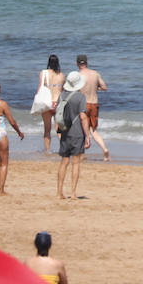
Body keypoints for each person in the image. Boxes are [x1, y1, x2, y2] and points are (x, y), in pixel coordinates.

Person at [55, 70, 90, 199]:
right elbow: (83, 117)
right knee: (76, 163)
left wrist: (58, 130)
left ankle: (59, 192)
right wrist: (87, 135)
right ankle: (73, 193)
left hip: (65, 131)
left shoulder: (62, 96)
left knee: (64, 161)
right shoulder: (80, 97)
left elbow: (57, 114)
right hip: (77, 133)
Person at [76, 55, 109, 161]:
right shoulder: (95, 74)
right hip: (94, 104)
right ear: (87, 63)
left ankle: (82, 153)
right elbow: (104, 87)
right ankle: (104, 149)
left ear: (77, 64)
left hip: (83, 104)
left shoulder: (78, 75)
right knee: (93, 129)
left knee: (81, 129)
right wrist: (96, 87)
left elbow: (72, 90)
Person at [31, 55, 65, 156]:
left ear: (49, 62)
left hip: (47, 103)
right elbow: (63, 90)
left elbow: (40, 87)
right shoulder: (62, 75)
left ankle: (47, 150)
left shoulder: (43, 73)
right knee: (59, 128)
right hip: (58, 102)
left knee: (47, 129)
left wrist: (37, 102)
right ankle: (63, 148)